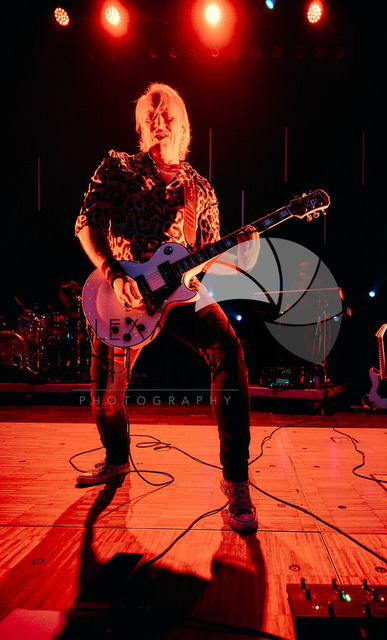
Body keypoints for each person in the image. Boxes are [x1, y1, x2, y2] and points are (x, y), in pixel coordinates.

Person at [75, 82, 259, 534]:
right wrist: (113, 273)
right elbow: (87, 224)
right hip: (122, 296)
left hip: (180, 295)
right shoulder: (117, 167)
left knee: (228, 350)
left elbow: (208, 258)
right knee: (104, 400)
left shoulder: (201, 190)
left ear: (183, 125)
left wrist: (239, 254)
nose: (158, 122)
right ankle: (117, 459)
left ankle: (236, 481)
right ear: (140, 127)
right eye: (149, 117)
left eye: (166, 115)